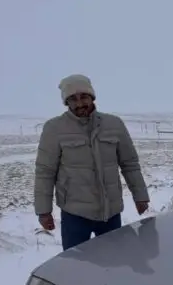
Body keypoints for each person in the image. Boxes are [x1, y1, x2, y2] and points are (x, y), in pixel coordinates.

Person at [34, 74, 150, 250]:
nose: (80, 103)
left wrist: (140, 196)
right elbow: (45, 172)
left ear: (92, 97)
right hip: (75, 214)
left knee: (114, 261)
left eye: (84, 97)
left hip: (110, 213)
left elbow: (130, 164)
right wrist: (44, 211)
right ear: (66, 102)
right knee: (76, 266)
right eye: (73, 99)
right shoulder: (54, 129)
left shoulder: (114, 124)